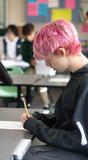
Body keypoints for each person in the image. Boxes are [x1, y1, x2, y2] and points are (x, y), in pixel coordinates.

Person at [21, 19, 88, 159]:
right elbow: (67, 118)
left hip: (80, 152)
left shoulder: (85, 83)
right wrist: (40, 118)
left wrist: (37, 127)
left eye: (47, 59)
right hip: (73, 148)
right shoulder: (77, 76)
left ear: (61, 52)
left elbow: (81, 140)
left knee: (23, 156)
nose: (46, 64)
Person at [22, 23, 51, 109]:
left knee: (41, 84)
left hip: (44, 68)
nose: (28, 37)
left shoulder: (42, 40)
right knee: (24, 82)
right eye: (26, 35)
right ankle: (24, 101)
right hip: (33, 67)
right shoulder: (25, 44)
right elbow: (24, 57)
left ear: (34, 32)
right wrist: (30, 61)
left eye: (30, 34)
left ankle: (47, 104)